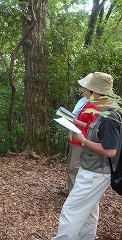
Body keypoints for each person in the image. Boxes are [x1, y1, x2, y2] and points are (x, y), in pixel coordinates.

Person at [53, 72, 122, 239]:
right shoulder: (107, 110)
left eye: (89, 91)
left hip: (95, 172)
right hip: (96, 170)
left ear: (97, 93)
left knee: (71, 210)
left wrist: (83, 141)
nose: (87, 95)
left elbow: (110, 150)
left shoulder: (110, 116)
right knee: (90, 212)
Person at [67, 73, 99, 192]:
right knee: (72, 167)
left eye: (83, 87)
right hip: (76, 138)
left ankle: (74, 195)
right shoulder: (83, 101)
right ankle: (72, 191)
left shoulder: (93, 105)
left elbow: (92, 126)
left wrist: (75, 121)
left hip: (82, 140)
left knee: (74, 168)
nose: (81, 89)